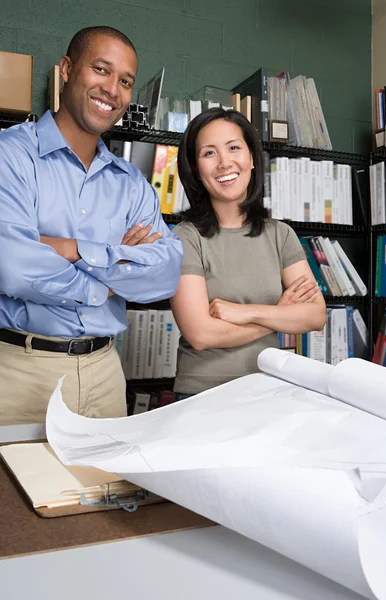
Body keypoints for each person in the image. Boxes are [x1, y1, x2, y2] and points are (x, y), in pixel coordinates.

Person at [0, 26, 183, 425]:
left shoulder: (133, 183)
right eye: (101, 70)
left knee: (108, 490)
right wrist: (111, 274)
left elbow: (166, 273)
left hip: (104, 373)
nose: (112, 89)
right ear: (67, 69)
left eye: (125, 81)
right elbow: (12, 267)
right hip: (18, 371)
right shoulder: (10, 155)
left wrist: (73, 250)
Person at [170, 108, 326, 399]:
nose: (224, 163)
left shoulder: (280, 234)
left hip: (267, 390)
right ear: (195, 167)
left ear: (252, 158)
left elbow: (315, 315)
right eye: (209, 153)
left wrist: (245, 313)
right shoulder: (185, 237)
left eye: (233, 148)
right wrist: (279, 314)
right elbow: (201, 335)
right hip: (202, 394)